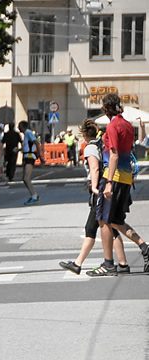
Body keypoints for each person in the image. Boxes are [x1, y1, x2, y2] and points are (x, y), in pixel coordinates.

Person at [87, 93, 149, 276]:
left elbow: (113, 155)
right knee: (116, 221)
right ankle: (145, 248)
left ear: (106, 109)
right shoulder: (128, 125)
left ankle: (108, 264)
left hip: (113, 177)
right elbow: (129, 152)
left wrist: (108, 183)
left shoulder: (113, 126)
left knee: (104, 221)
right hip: (126, 177)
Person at [59, 119, 129, 275]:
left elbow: (95, 169)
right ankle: (123, 263)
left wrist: (95, 188)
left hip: (98, 190)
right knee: (110, 227)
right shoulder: (99, 144)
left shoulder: (90, 148)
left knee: (92, 228)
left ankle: (78, 264)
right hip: (107, 187)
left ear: (84, 134)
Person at [18, 121, 40, 204]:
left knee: (26, 178)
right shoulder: (26, 134)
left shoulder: (28, 132)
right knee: (25, 179)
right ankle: (33, 195)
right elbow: (28, 146)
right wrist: (19, 150)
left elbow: (36, 142)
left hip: (30, 156)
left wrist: (39, 154)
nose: (18, 128)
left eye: (19, 126)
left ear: (23, 126)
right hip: (27, 156)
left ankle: (34, 195)